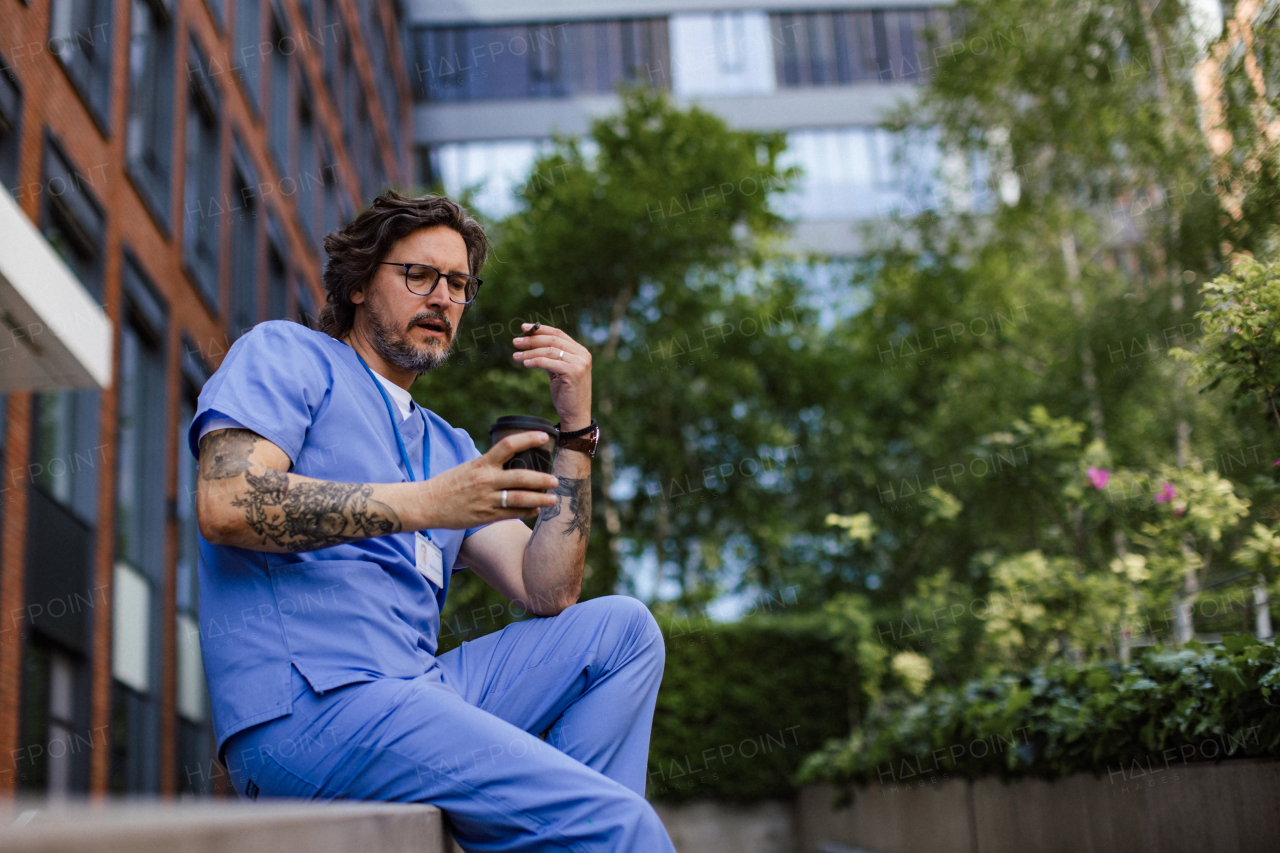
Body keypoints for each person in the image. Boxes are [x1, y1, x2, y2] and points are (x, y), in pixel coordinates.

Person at [188, 191, 676, 851]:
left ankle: (573, 830)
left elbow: (548, 589)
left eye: (458, 284)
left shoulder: (449, 445)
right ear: (358, 283)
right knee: (623, 825)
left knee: (624, 632)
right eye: (419, 275)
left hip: (420, 693)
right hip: (310, 711)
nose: (443, 297)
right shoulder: (288, 355)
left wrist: (576, 432)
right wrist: (426, 503)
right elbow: (226, 502)